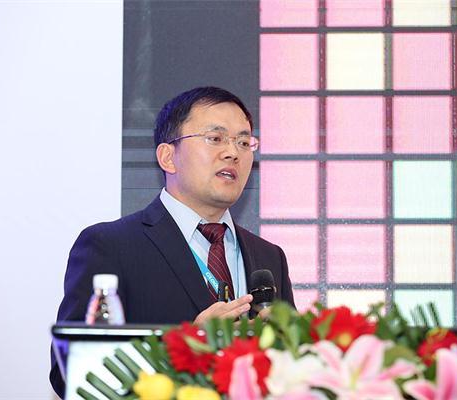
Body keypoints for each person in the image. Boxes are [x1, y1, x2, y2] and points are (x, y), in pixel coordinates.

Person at [50, 86, 295, 397]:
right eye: (215, 138)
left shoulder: (270, 257)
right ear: (168, 157)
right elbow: (75, 374)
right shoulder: (110, 246)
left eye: (244, 142)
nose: (233, 152)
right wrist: (185, 350)